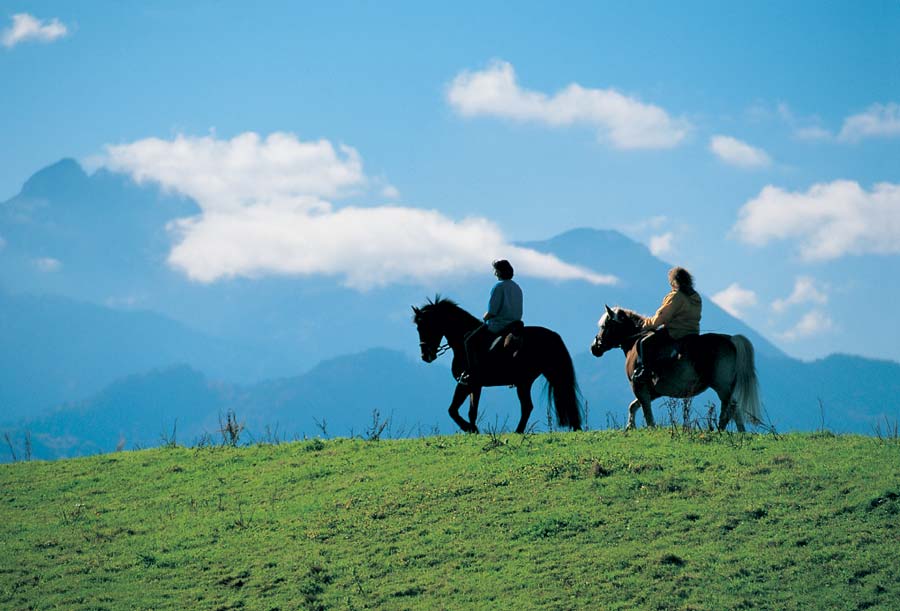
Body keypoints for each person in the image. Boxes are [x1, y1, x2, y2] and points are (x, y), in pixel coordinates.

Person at [632, 266, 702, 383]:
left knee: (644, 343)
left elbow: (661, 317)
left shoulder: (676, 296)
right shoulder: (695, 297)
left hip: (675, 332)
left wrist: (646, 325)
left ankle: (646, 372)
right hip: (693, 332)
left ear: (674, 281)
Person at [459, 259, 523, 385]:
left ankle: (471, 374)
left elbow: (492, 311)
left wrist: (485, 317)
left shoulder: (498, 287)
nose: (494, 273)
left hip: (499, 325)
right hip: (515, 324)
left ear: (499, 272)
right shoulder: (517, 287)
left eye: (495, 270)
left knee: (469, 341)